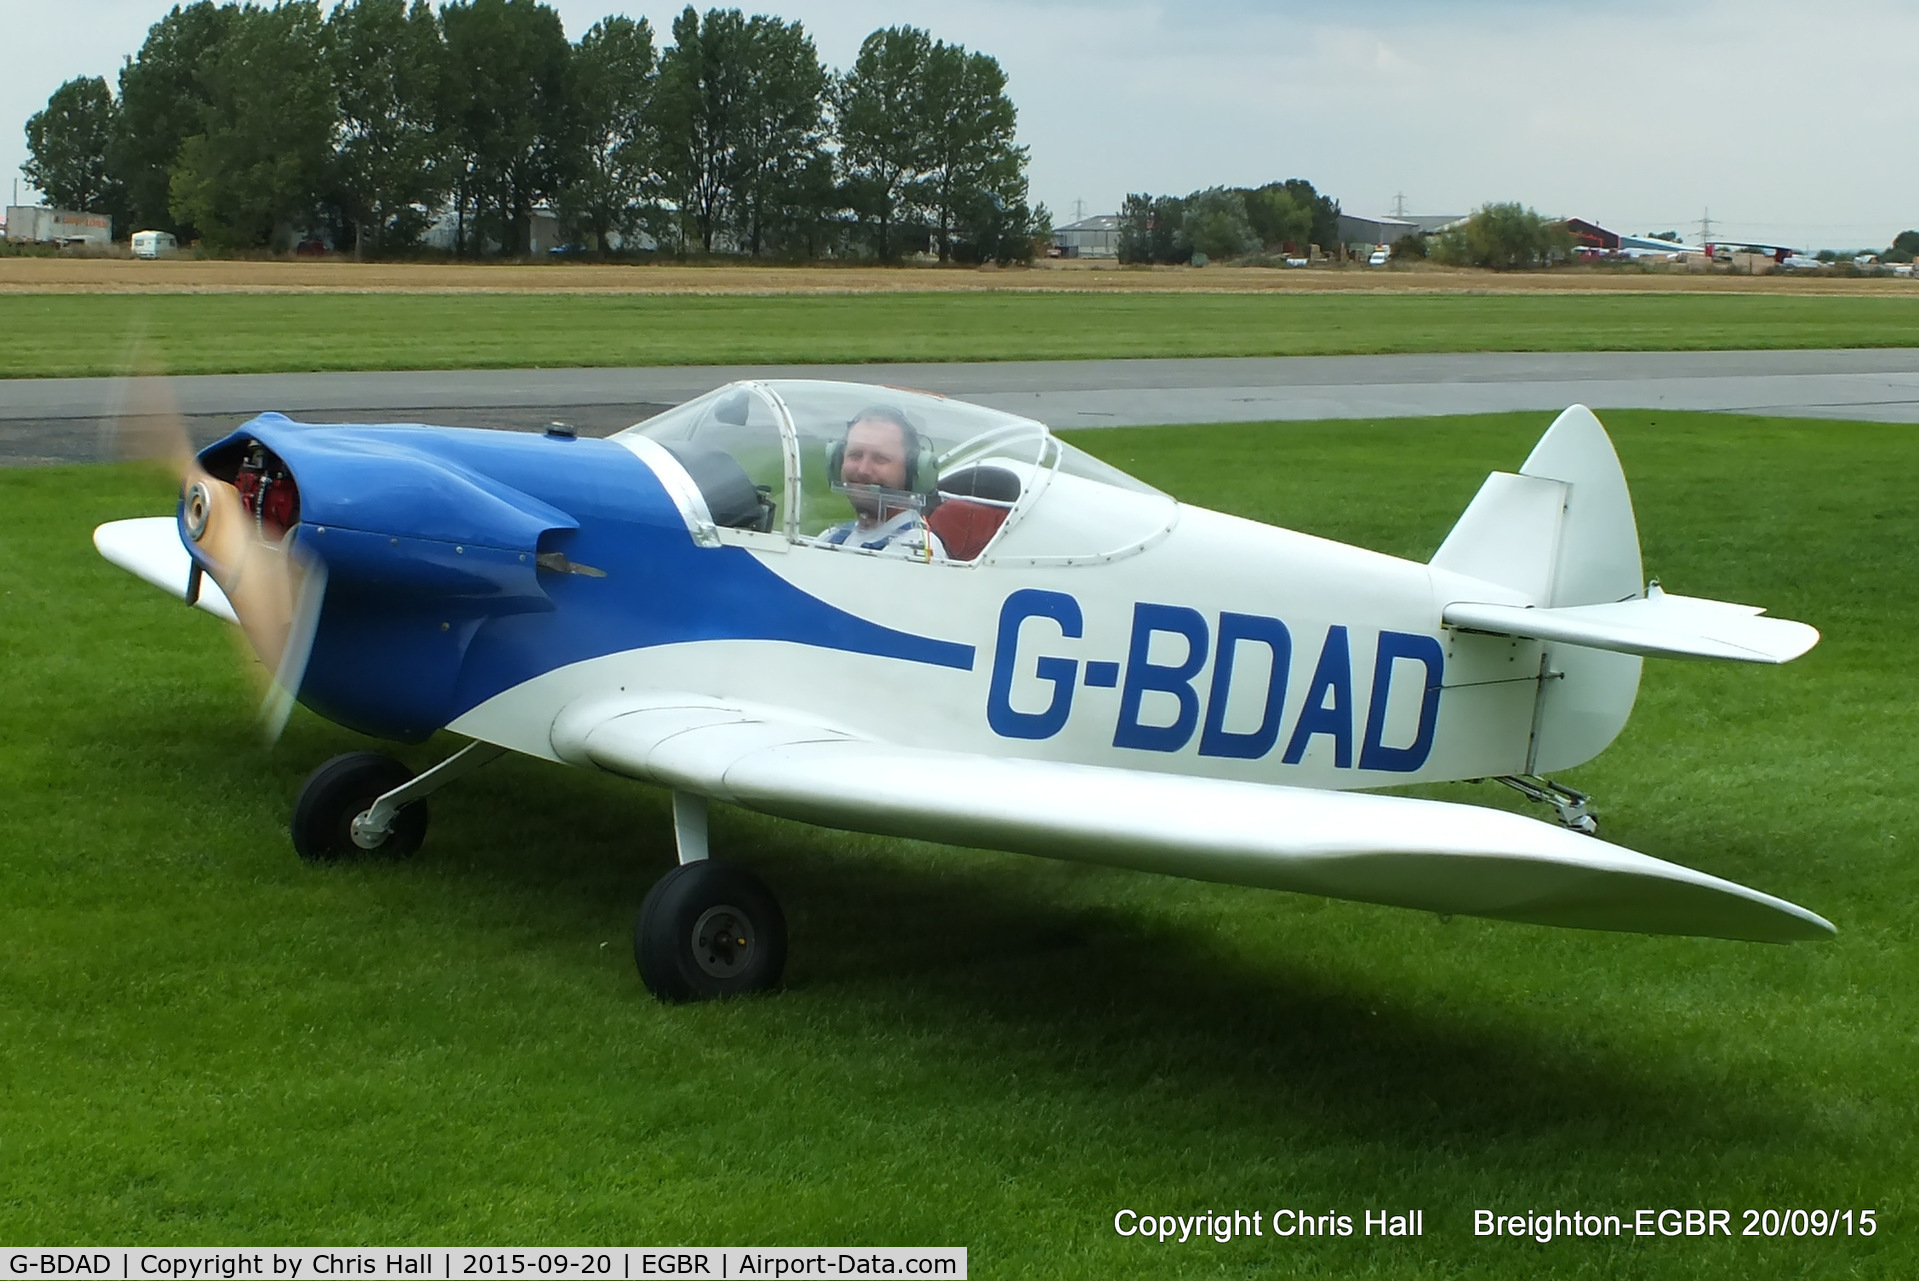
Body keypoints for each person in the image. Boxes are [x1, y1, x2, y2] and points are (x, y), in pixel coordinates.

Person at [815, 406, 946, 559]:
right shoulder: (832, 537)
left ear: (912, 471)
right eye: (855, 455)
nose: (863, 470)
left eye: (880, 459)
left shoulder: (915, 547)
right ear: (838, 461)